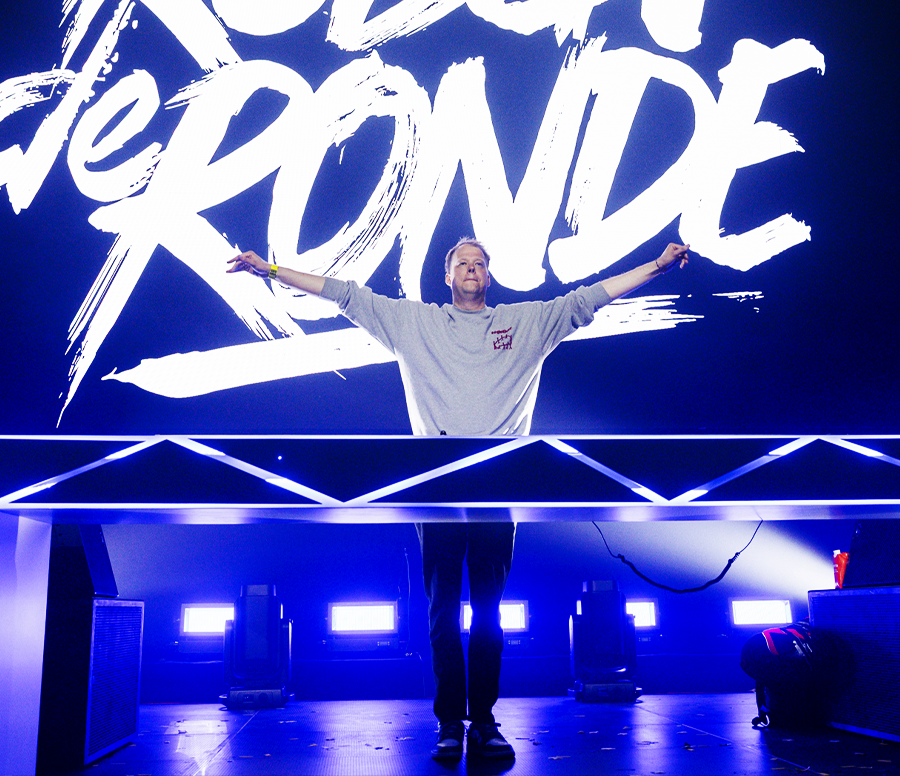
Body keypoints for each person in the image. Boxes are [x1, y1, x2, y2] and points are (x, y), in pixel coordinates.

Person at [228, 238, 689, 760]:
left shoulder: (526, 322)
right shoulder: (414, 322)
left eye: (479, 263)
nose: (471, 269)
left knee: (489, 614)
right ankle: (450, 721)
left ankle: (484, 721)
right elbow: (345, 294)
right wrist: (269, 269)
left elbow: (590, 297)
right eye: (462, 264)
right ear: (448, 277)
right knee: (443, 613)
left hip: (498, 489)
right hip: (438, 491)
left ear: (488, 276)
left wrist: (657, 266)